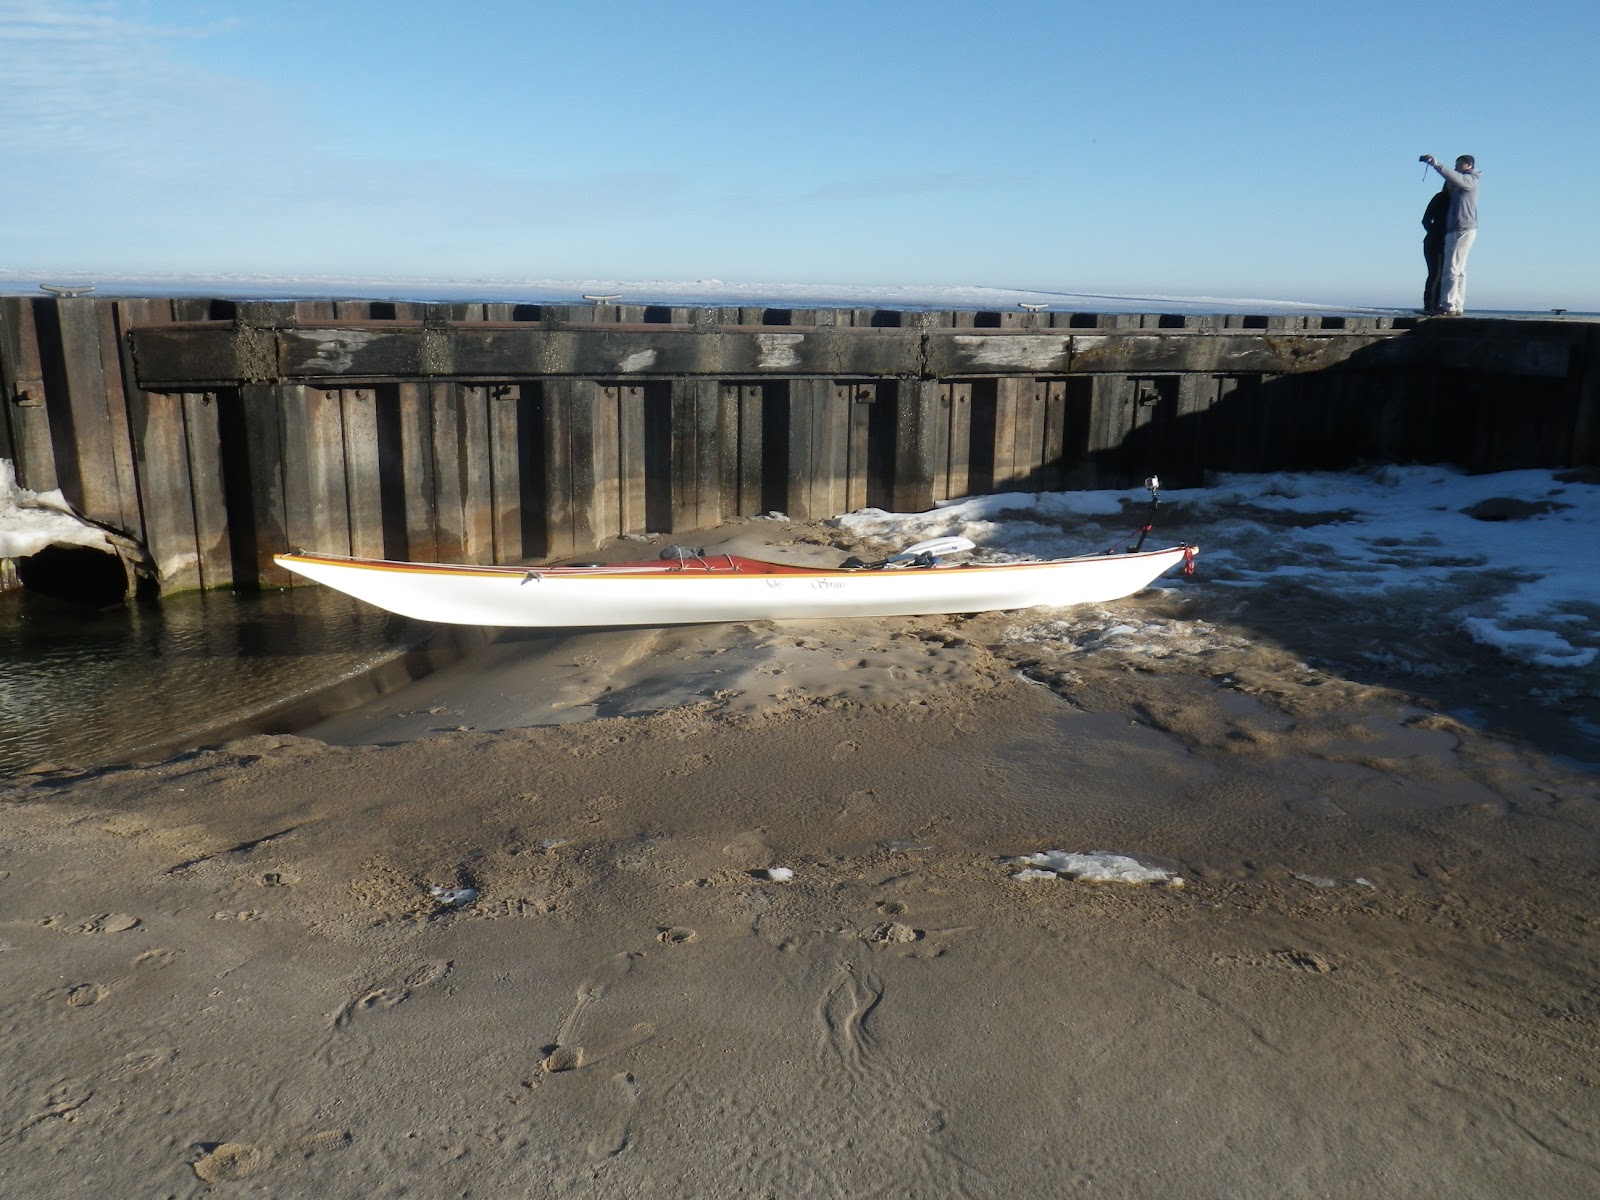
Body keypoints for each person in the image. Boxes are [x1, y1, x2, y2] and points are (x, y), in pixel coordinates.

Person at [1419, 153, 1481, 315]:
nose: (1455, 168)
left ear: (1468, 165)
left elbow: (1455, 178)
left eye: (1458, 164)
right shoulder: (1452, 193)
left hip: (1461, 229)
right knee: (1458, 270)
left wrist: (1436, 165)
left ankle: (1448, 304)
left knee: (1451, 269)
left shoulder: (1469, 180)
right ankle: (1456, 304)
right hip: (1459, 230)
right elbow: (1426, 219)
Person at [1420, 182, 1449, 314]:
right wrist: (1434, 232)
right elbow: (1426, 219)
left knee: (1443, 274)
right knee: (1435, 273)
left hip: (1448, 241)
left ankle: (1437, 305)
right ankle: (1430, 306)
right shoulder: (1440, 197)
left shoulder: (1459, 199)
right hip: (1434, 241)